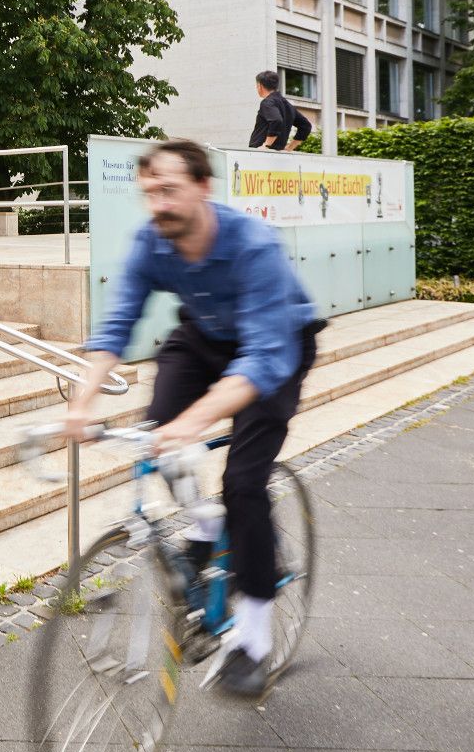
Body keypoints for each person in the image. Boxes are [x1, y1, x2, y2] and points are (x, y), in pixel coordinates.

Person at [63, 139, 322, 698]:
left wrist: (195, 421)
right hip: (204, 337)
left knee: (244, 483)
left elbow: (262, 359)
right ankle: (206, 525)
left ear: (204, 187)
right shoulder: (152, 243)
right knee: (158, 433)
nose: (159, 204)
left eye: (170, 190)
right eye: (150, 193)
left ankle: (251, 638)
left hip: (275, 348)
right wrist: (80, 405)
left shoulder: (252, 245)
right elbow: (116, 327)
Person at [248, 69, 311, 151]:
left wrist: (266, 145)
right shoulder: (287, 105)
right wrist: (289, 148)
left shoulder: (267, 102)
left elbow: (276, 120)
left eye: (257, 86)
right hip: (277, 154)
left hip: (261, 154)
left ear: (260, 86)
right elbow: (306, 126)